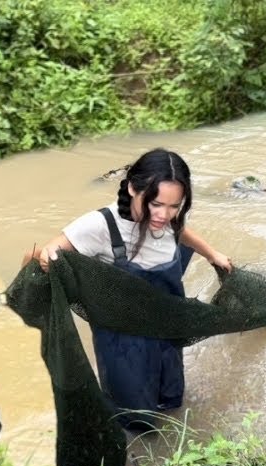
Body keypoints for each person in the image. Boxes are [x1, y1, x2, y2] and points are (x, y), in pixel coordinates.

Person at [34, 148, 233, 431]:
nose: (164, 215)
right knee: (134, 416)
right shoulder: (100, 225)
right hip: (122, 342)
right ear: (131, 188)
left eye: (174, 206)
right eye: (155, 204)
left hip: (166, 326)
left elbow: (181, 232)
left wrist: (212, 254)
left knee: (171, 399)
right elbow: (55, 247)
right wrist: (48, 257)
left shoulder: (167, 217)